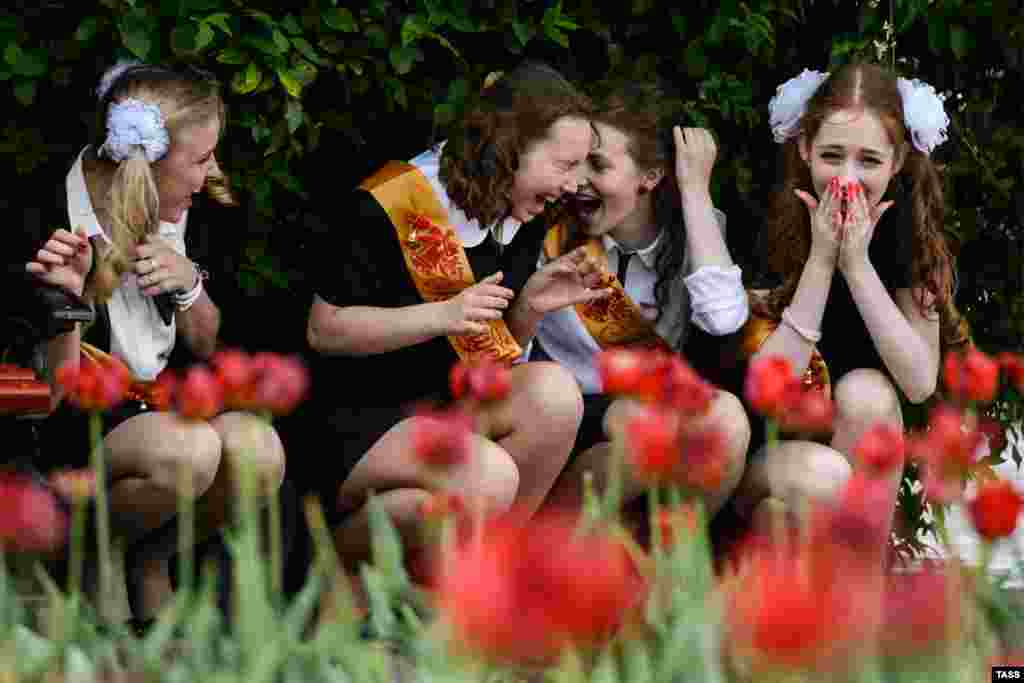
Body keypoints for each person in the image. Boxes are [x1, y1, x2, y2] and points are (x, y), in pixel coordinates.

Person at [303, 62, 606, 576]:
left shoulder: (521, 212)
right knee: (487, 476)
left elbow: (489, 360)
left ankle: (478, 588)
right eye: (565, 164)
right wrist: (441, 314)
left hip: (447, 409)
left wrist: (528, 307)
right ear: (511, 145)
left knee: (554, 394)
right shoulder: (395, 200)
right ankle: (335, 570)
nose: (574, 184)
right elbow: (323, 330)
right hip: (362, 423)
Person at [23, 62, 286, 627]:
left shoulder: (189, 210)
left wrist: (191, 285)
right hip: (77, 425)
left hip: (162, 406)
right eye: (199, 159)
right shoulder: (42, 214)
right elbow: (52, 395)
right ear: (145, 163)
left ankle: (150, 557)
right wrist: (68, 302)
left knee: (258, 449)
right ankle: (86, 561)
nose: (210, 174)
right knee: (186, 451)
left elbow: (210, 343)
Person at [731, 63, 968, 531]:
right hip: (769, 451)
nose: (847, 178)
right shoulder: (772, 219)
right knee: (825, 478)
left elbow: (919, 382)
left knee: (868, 392)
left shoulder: (907, 231)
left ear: (898, 160)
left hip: (852, 446)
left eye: (869, 161)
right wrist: (822, 259)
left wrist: (855, 264)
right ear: (805, 148)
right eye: (832, 156)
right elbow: (766, 390)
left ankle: (861, 599)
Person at [534, 82, 751, 517]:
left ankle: (671, 567)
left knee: (725, 416)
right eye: (576, 164)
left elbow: (725, 319)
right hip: (567, 417)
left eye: (597, 165)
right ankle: (549, 558)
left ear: (649, 178)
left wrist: (694, 189)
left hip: (649, 414)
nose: (577, 182)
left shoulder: (699, 230)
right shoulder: (547, 227)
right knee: (646, 428)